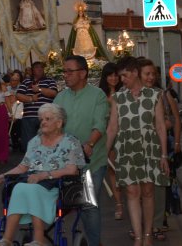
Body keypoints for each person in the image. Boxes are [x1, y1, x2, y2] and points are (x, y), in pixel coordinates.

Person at [0, 104, 85, 246]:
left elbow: (72, 170)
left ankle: (39, 240)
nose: (43, 122)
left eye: (47, 119)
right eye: (41, 119)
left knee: (29, 187)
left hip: (58, 187)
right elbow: (22, 167)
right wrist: (0, 178)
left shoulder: (70, 142)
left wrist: (44, 175)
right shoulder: (34, 142)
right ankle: (7, 239)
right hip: (33, 184)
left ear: (59, 123)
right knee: (19, 188)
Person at [106, 56, 169, 246]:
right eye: (120, 76)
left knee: (148, 192)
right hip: (126, 149)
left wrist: (164, 155)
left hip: (150, 148)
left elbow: (160, 126)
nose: (121, 80)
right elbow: (112, 128)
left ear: (134, 72)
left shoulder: (154, 95)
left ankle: (148, 235)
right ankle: (138, 237)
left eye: (124, 75)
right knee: (132, 192)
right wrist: (104, 152)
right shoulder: (118, 98)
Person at [53, 55, 109, 246]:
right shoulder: (60, 97)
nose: (65, 75)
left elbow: (100, 124)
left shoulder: (98, 95)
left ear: (83, 73)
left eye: (70, 71)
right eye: (64, 72)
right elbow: (52, 125)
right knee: (71, 204)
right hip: (66, 164)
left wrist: (90, 144)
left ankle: (94, 243)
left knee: (88, 205)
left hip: (92, 162)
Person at [138, 59, 182, 240]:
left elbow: (176, 119)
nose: (150, 77)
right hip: (139, 147)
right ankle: (142, 224)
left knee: (159, 186)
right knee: (140, 188)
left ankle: (157, 223)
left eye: (152, 74)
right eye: (146, 74)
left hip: (161, 147)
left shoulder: (163, 95)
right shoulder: (133, 95)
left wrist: (177, 143)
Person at [98, 62, 124, 221]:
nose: (113, 78)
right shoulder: (100, 94)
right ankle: (119, 203)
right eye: (110, 75)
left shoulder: (125, 92)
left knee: (125, 168)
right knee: (113, 170)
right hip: (108, 135)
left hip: (124, 133)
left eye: (116, 75)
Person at [16, 61, 58, 153]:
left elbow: (54, 93)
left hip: (46, 117)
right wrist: (31, 99)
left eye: (41, 67)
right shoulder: (27, 81)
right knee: (29, 143)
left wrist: (39, 89)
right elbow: (18, 95)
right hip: (29, 117)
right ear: (32, 70)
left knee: (47, 141)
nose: (39, 69)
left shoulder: (50, 80)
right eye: (37, 67)